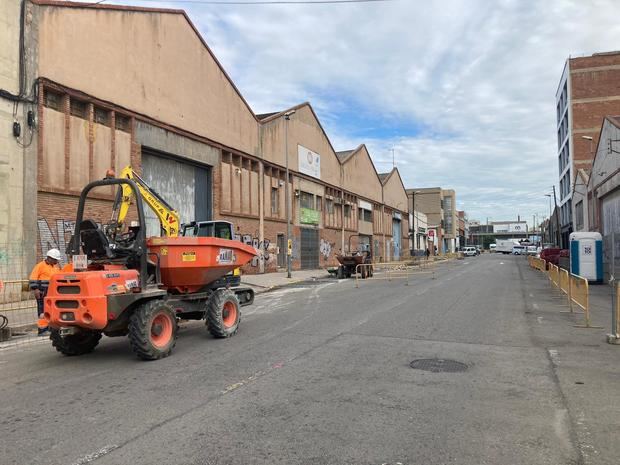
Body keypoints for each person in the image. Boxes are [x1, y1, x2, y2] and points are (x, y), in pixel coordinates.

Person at [29, 249, 62, 335]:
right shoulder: (40, 266)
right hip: (42, 292)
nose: (56, 261)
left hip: (52, 293)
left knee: (51, 310)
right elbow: (33, 278)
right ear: (49, 258)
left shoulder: (55, 267)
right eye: (55, 259)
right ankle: (42, 329)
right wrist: (35, 289)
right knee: (42, 311)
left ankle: (50, 327)